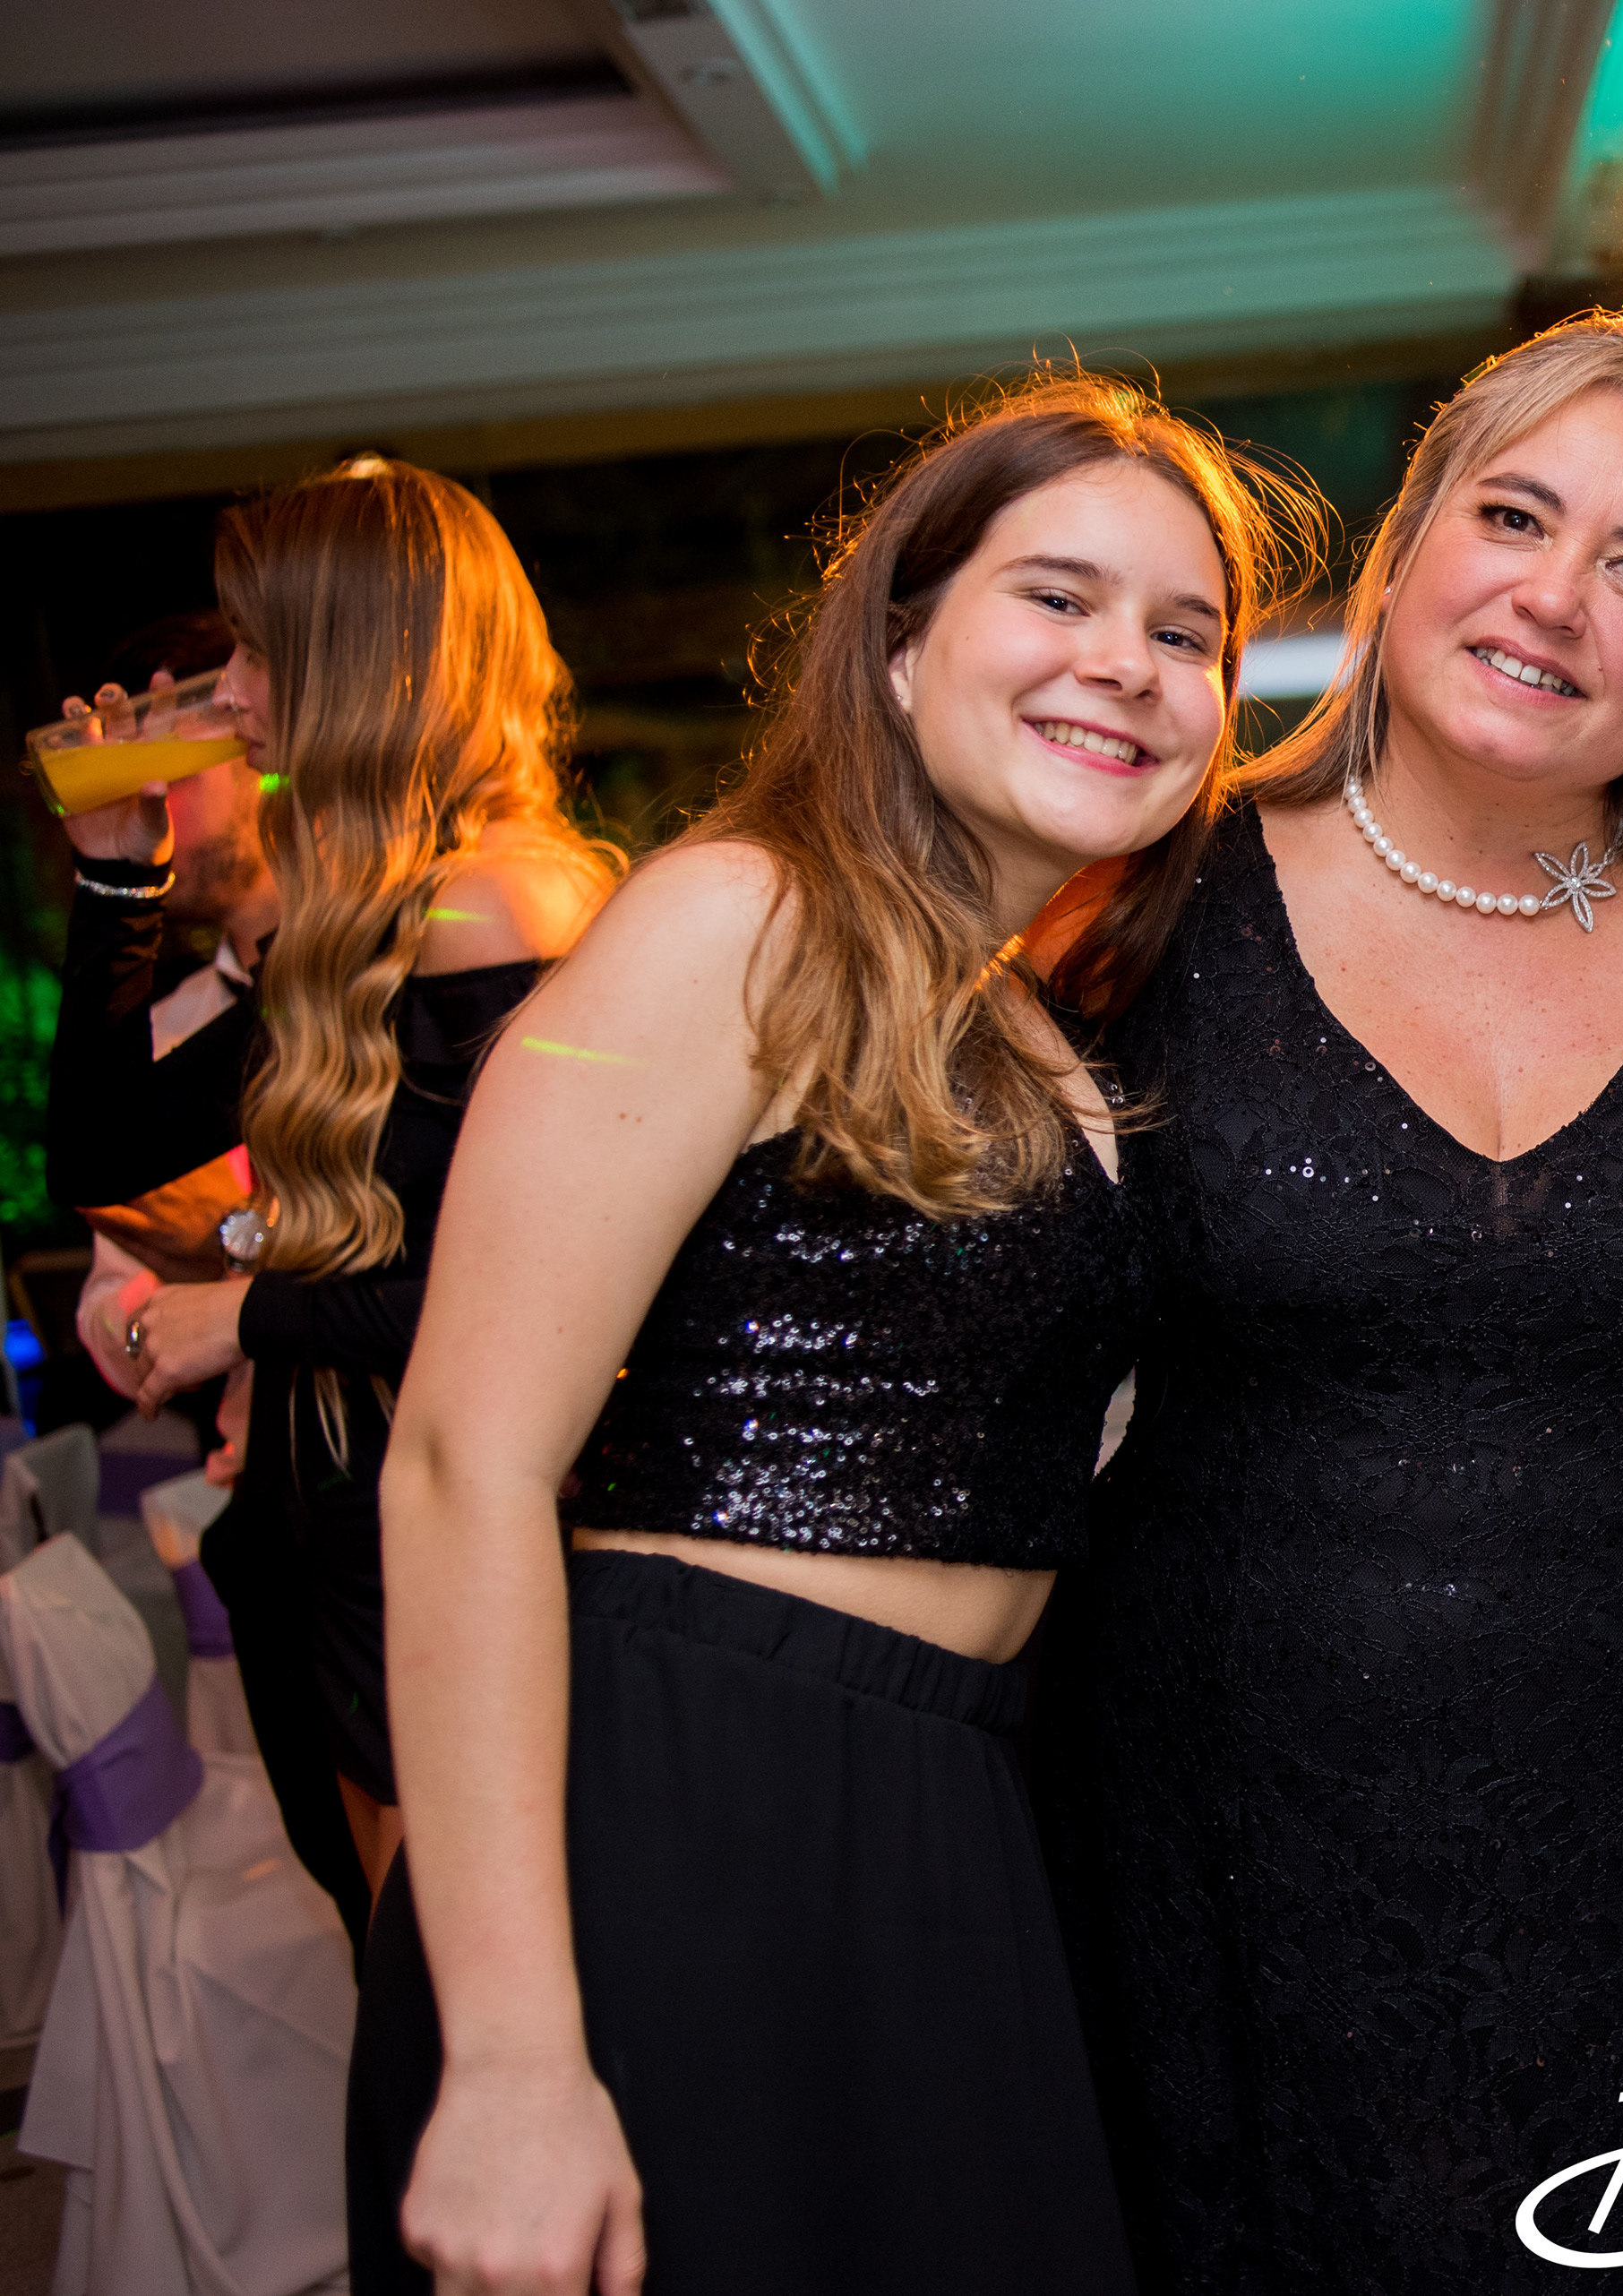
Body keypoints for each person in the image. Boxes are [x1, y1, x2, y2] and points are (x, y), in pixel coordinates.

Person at [349, 374, 1304, 2295]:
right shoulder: (740, 916)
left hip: (947, 1804)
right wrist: (516, 2059)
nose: (1126, 664)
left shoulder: (1021, 1010)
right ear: (897, 646)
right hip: (698, 1799)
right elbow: (462, 1464)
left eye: (1185, 633)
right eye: (1057, 596)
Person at [1031, 314, 1623, 2294]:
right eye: (1514, 517)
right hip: (1231, 1886)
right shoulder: (1133, 897)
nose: (1558, 597)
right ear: (1409, 539)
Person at [45, 460, 614, 1917]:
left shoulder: (495, 908)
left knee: (441, 1992)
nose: (230, 695)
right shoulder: (379, 917)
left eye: (255, 651)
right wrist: (118, 877)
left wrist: (244, 1317)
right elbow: (101, 1155)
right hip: (349, 1542)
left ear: (357, 664)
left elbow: (545, 1305)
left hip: (438, 1554)